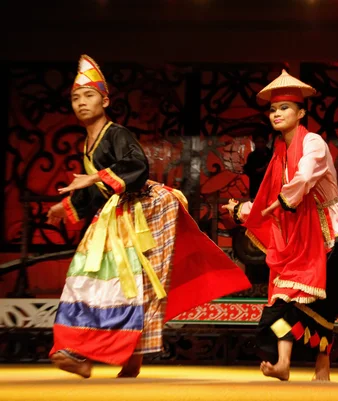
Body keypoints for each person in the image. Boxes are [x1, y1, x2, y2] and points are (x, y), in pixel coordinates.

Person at [46, 55, 250, 379]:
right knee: (91, 275)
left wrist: (96, 177)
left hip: (147, 208)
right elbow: (98, 189)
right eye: (75, 97)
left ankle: (117, 356)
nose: (82, 102)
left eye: (89, 95)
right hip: (118, 213)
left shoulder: (116, 133)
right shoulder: (89, 144)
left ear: (105, 99)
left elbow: (137, 167)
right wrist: (67, 206)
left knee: (138, 284)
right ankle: (82, 350)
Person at [223, 70, 338, 381]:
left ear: (302, 112)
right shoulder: (279, 154)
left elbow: (304, 177)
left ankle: (322, 368)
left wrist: (282, 202)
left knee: (322, 307)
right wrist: (243, 210)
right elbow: (271, 195)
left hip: (330, 233)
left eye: (284, 108)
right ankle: (282, 364)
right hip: (296, 237)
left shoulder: (314, 143)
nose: (277, 113)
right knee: (283, 299)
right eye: (273, 109)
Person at [243, 130, 272, 199]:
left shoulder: (271, 155)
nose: (260, 144)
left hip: (269, 188)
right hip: (255, 189)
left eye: (262, 142)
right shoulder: (252, 156)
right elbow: (251, 171)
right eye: (258, 142)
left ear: (266, 142)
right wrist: (264, 168)